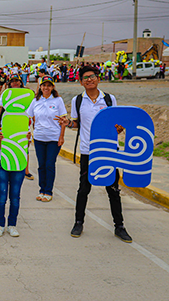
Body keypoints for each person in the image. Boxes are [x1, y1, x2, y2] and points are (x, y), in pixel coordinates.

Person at [56, 65, 132, 243]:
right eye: (85, 78)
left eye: (92, 76)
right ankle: (78, 222)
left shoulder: (109, 99)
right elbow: (76, 124)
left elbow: (116, 124)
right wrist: (68, 123)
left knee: (113, 190)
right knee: (84, 189)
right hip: (88, 151)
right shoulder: (77, 101)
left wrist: (119, 128)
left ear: (98, 78)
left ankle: (119, 226)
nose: (89, 80)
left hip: (108, 151)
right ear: (81, 82)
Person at [0, 107, 32, 237]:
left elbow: (26, 146)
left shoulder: (24, 125)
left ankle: (12, 225)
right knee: (1, 196)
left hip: (18, 164)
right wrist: (0, 139)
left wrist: (27, 138)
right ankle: (0, 225)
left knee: (15, 197)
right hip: (1, 163)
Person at [27, 76, 67, 202]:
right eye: (44, 85)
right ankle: (42, 190)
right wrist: (29, 132)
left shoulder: (58, 100)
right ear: (40, 87)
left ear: (52, 87)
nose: (46, 88)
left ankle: (48, 191)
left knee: (49, 164)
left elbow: (63, 121)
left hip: (54, 138)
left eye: (49, 85)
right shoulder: (35, 101)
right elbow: (29, 118)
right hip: (39, 138)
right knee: (41, 165)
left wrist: (61, 137)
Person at [0, 75, 35, 180]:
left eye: (17, 81)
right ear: (9, 83)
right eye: (12, 81)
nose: (15, 83)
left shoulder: (26, 93)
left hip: (23, 121)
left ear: (20, 82)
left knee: (23, 145)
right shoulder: (6, 94)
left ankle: (26, 170)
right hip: (9, 121)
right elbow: (0, 106)